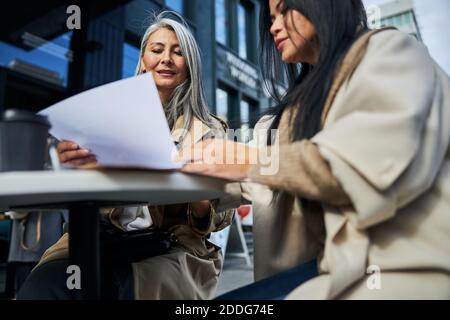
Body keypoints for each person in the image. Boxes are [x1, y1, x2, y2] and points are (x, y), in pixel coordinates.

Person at [180, 0, 450, 299]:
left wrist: (249, 160)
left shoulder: (393, 52)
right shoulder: (287, 115)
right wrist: (189, 181)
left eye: (284, 10)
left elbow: (359, 164)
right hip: (329, 270)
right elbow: (252, 175)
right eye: (271, 17)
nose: (274, 26)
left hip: (394, 271)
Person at [17, 12, 239, 300]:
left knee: (135, 286)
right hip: (101, 237)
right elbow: (77, 192)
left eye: (178, 52)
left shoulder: (210, 130)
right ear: (143, 61)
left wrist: (200, 199)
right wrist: (67, 165)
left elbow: (225, 214)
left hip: (170, 246)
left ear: (190, 66)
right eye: (157, 50)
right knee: (44, 285)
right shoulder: (106, 117)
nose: (166, 59)